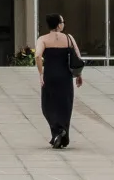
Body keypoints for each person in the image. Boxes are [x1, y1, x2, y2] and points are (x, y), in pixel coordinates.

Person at [34, 14, 83, 148]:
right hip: (65, 77)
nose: (63, 24)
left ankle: (57, 132)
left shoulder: (43, 39)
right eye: (62, 22)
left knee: (47, 105)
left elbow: (38, 55)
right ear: (58, 24)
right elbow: (77, 57)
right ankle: (62, 132)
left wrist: (40, 73)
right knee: (65, 105)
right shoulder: (68, 38)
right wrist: (78, 75)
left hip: (49, 76)